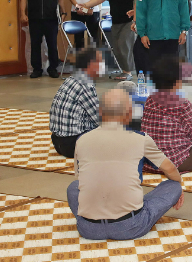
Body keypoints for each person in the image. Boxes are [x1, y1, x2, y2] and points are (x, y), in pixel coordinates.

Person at [67, 88, 184, 240]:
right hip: (130, 226)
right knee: (173, 186)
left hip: (88, 229)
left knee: (73, 187)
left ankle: (93, 220)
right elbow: (169, 168)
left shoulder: (81, 140)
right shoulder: (140, 139)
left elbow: (80, 179)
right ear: (129, 114)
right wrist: (178, 188)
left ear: (100, 112)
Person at [78, 0, 137, 81]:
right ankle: (124, 70)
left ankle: (128, 72)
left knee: (123, 45)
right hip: (115, 22)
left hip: (129, 22)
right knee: (117, 47)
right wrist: (85, 5)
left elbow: (138, 3)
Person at [19, 0, 67, 78]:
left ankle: (52, 68)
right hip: (34, 18)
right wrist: (23, 13)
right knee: (35, 45)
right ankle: (37, 69)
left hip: (51, 18)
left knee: (52, 44)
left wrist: (63, 12)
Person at [49, 48, 104, 158]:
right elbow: (100, 120)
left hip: (57, 141)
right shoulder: (86, 84)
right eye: (100, 62)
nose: (103, 66)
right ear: (91, 64)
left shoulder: (71, 79)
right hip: (72, 144)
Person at [131, 0, 154, 74]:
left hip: (144, 26)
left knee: (139, 52)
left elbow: (138, 6)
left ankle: (143, 80)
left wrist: (135, 22)